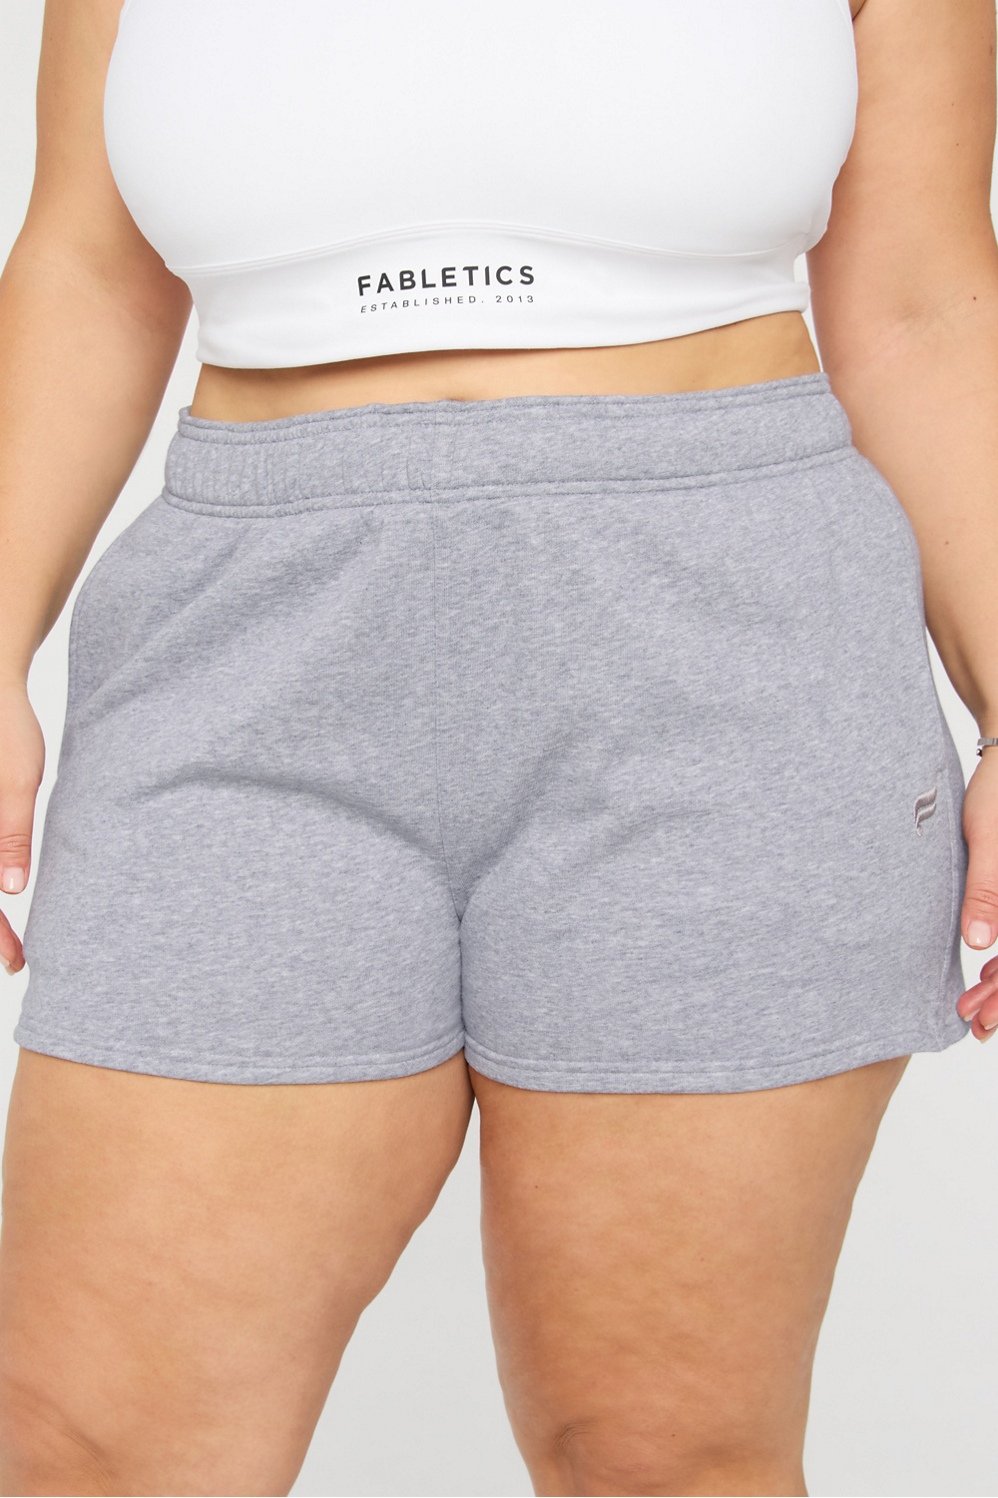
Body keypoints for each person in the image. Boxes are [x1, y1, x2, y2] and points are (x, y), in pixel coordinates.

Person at [0, 1, 995, 1493]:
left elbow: (920, 298)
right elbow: (83, 264)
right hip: (243, 652)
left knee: (660, 1456)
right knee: (89, 1447)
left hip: (726, 657)